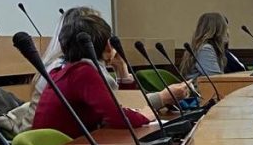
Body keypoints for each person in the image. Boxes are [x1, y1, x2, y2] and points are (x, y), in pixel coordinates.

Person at [28, 6, 188, 117]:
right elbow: (120, 111)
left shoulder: (70, 65)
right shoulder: (74, 70)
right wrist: (162, 98)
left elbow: (121, 105)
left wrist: (122, 70)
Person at [32, 11, 161, 139]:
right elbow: (116, 116)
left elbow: (122, 105)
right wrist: (144, 116)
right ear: (109, 45)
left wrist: (122, 68)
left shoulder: (64, 70)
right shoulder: (83, 73)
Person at [179, 12, 233, 80]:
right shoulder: (205, 49)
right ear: (218, 31)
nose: (228, 32)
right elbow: (216, 79)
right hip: (199, 87)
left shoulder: (209, 47)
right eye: (225, 28)